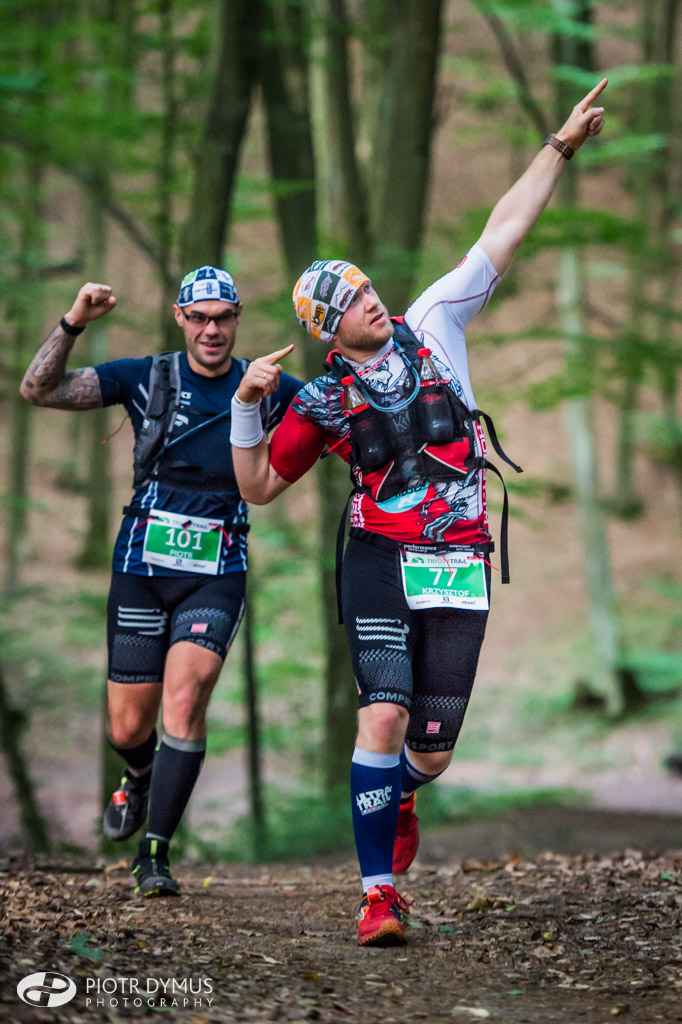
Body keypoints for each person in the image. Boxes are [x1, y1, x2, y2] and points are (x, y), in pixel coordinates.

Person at [230, 82, 607, 946]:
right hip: (378, 559)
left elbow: (502, 232)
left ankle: (397, 792)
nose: (370, 297)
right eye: (351, 299)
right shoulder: (322, 402)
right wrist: (249, 405)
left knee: (430, 750)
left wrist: (559, 146)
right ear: (329, 329)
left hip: (461, 559)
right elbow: (256, 486)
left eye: (367, 286)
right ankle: (378, 896)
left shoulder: (435, 320)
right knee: (382, 714)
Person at [20, 265, 302, 896]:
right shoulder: (145, 376)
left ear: (237, 319)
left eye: (222, 318)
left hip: (217, 570)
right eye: (198, 318)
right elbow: (39, 389)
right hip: (142, 569)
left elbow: (342, 418)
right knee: (127, 727)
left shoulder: (267, 384)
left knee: (185, 700)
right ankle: (139, 774)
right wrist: (73, 322)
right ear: (180, 318)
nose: (211, 330)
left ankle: (155, 853)